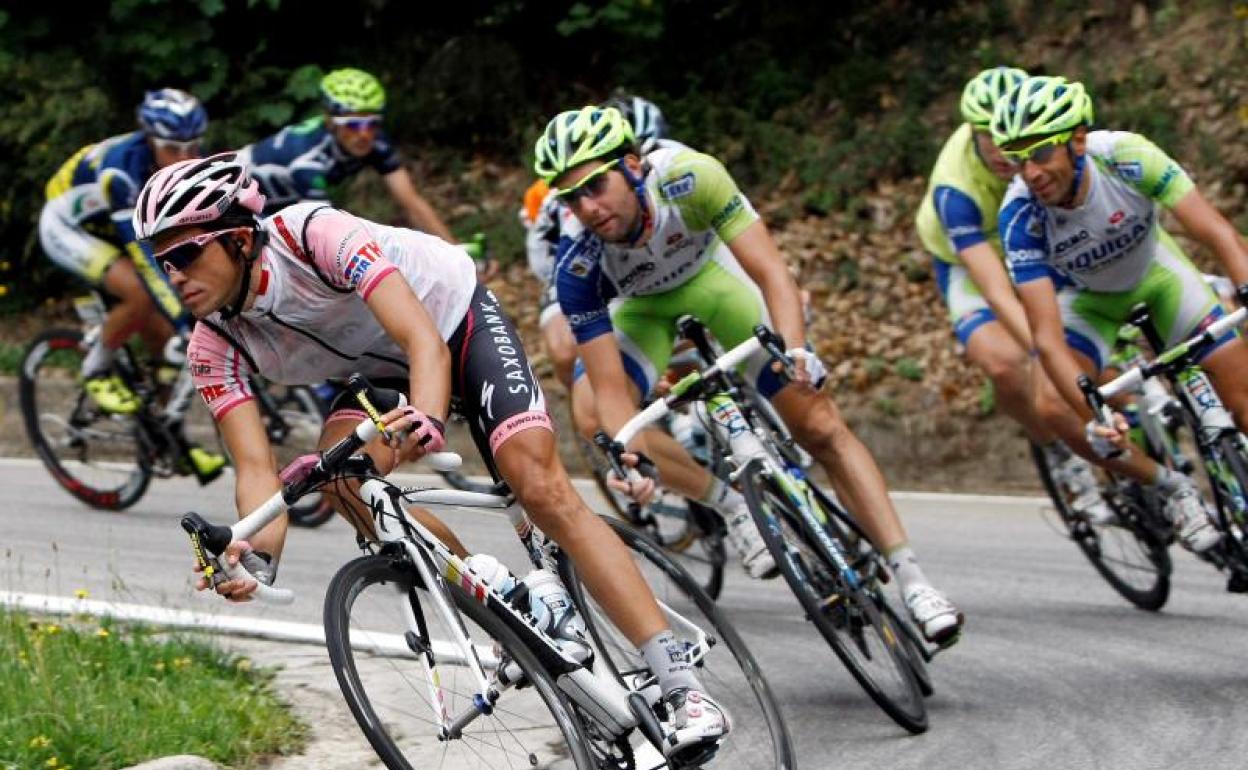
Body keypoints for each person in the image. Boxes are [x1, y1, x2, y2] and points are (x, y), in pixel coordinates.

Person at [132, 152, 729, 760]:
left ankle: (683, 689)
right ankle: (504, 601)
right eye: (162, 264)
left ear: (235, 240)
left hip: (453, 324)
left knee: (538, 485)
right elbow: (257, 468)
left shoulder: (314, 236)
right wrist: (251, 555)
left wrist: (429, 415)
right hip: (377, 377)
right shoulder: (212, 346)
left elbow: (424, 340)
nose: (174, 276)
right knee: (341, 480)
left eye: (185, 255)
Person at [538, 106, 963, 645]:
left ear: (632, 164)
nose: (588, 207)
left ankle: (912, 579)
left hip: (717, 282)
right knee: (594, 414)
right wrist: (631, 457)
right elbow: (608, 389)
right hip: (642, 310)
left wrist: (798, 352)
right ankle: (729, 501)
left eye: (596, 186)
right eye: (572, 197)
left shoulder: (689, 177)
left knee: (820, 426)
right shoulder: (577, 262)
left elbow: (771, 273)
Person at [994, 75, 1248, 554]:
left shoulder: (1125, 156)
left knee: (1243, 393)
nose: (1030, 172)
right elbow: (1047, 338)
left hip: (1158, 275)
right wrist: (1096, 410)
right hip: (1088, 301)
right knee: (1052, 405)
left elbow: (1217, 233)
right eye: (1016, 157)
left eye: (1040, 152)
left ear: (1078, 140)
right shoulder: (1020, 217)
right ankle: (1171, 487)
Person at [916, 66, 1112, 522]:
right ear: (971, 132)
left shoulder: (1043, 152)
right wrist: (1046, 351)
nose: (1000, 148)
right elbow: (996, 290)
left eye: (1002, 133)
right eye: (985, 136)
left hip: (1036, 236)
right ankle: (1057, 450)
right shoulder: (955, 190)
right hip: (969, 257)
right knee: (1004, 363)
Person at [39, 88, 225, 478]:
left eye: (193, 147)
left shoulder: (184, 162)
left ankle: (166, 438)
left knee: (163, 340)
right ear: (149, 140)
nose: (186, 159)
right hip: (67, 225)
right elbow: (146, 259)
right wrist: (185, 319)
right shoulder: (122, 169)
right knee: (140, 294)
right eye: (173, 149)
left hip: (108, 226)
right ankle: (97, 371)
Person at [522, 94, 685, 389]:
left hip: (655, 245)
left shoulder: (675, 160)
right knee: (567, 351)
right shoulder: (557, 204)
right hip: (580, 264)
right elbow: (553, 276)